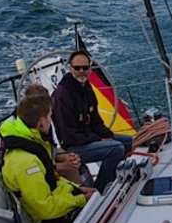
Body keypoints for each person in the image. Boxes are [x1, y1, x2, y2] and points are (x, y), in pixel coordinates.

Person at [1, 85, 96, 223]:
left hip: (58, 199)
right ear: (42, 122)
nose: (51, 120)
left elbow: (51, 179)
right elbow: (46, 209)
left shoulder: (34, 142)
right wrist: (82, 199)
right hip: (51, 219)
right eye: (50, 116)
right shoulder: (26, 162)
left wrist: (79, 189)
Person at [52, 50, 132, 191]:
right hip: (71, 147)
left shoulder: (86, 87)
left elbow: (96, 121)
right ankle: (101, 190)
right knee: (116, 149)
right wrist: (99, 139)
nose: (81, 71)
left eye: (85, 68)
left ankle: (118, 178)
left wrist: (107, 135)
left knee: (128, 141)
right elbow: (69, 136)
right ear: (70, 68)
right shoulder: (62, 95)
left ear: (90, 68)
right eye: (77, 68)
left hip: (86, 138)